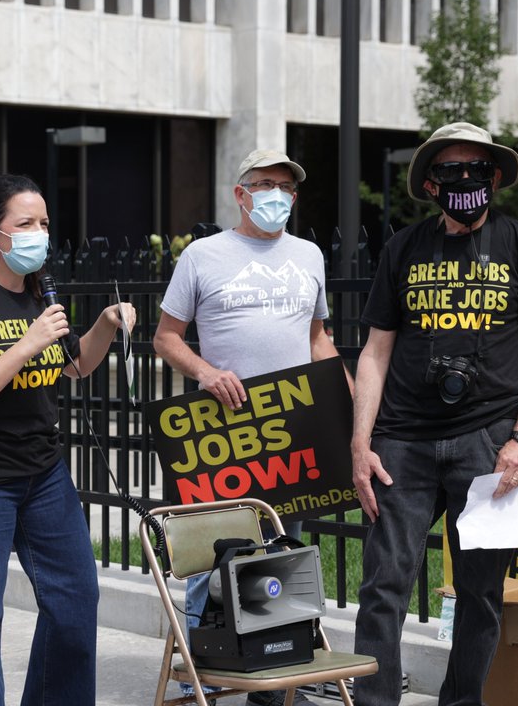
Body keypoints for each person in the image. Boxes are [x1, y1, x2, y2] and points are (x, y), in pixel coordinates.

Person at [350, 122, 518, 706]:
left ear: (495, 178)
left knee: (481, 596)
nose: (464, 181)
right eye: (449, 172)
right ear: (430, 184)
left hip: (490, 443)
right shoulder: (403, 248)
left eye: (476, 170)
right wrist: (360, 443)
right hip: (402, 444)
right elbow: (375, 350)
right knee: (383, 588)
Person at [0, 174, 136, 706]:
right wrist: (22, 346)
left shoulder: (42, 296)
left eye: (43, 223)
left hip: (44, 474)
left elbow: (74, 366)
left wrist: (107, 325)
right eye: (25, 224)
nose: (38, 233)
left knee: (76, 598)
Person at [153, 149, 348, 706]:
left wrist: (350, 408)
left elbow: (319, 339)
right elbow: (166, 338)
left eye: (286, 187)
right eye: (264, 184)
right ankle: (199, 670)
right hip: (223, 430)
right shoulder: (202, 256)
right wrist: (207, 372)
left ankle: (279, 675)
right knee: (208, 553)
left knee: (283, 552)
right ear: (240, 194)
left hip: (292, 428)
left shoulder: (309, 255)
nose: (276, 195)